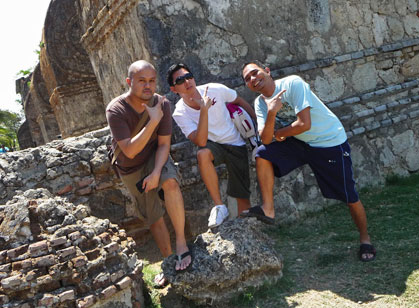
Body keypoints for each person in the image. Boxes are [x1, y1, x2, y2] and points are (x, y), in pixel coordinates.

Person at [241, 61, 376, 262]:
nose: (253, 79)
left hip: (329, 142)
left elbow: (304, 124)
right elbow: (265, 139)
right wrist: (271, 113)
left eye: (255, 73)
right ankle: (268, 209)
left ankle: (365, 239)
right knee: (262, 153)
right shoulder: (260, 103)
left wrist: (278, 134)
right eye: (247, 79)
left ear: (267, 71)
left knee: (349, 195)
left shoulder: (293, 84)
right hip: (300, 142)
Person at [106, 60, 191, 287]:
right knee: (153, 215)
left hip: (155, 155)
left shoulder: (162, 103)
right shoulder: (116, 110)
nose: (147, 86)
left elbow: (164, 145)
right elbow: (131, 150)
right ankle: (168, 261)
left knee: (170, 182)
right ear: (129, 82)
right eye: (141, 81)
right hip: (130, 166)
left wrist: (155, 173)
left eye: (151, 81)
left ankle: (182, 244)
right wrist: (153, 121)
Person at [167, 63, 256, 228]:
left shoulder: (215, 89)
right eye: (180, 80)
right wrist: (204, 110)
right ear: (174, 89)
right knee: (202, 154)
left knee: (243, 199)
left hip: (236, 142)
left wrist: (256, 126)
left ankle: (247, 229)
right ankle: (219, 206)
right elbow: (200, 141)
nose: (187, 82)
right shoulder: (180, 112)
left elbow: (239, 100)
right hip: (213, 145)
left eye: (188, 76)